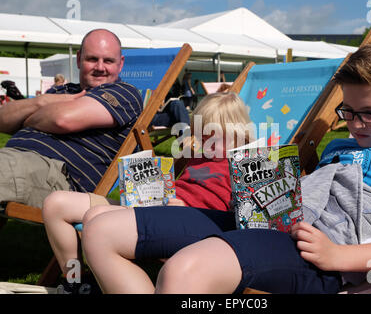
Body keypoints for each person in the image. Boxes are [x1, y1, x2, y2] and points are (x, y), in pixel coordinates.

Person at [81, 43, 371, 294]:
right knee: (101, 231)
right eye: (347, 111)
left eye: (368, 114)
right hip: (265, 223)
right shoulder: (339, 146)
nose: (355, 124)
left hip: (315, 256)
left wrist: (338, 257)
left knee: (182, 270)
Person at [42, 92, 254, 293]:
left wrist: (189, 210)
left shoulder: (244, 165)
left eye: (215, 135)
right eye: (202, 133)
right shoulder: (198, 155)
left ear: (240, 133)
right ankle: (75, 281)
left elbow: (239, 218)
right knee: (56, 204)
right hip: (156, 207)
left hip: (186, 222)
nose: (206, 141)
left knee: (94, 218)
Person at [0, 29, 143, 208]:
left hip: (58, 177)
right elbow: (3, 119)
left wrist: (26, 118)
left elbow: (63, 119)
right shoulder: (60, 91)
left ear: (120, 64)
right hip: (14, 161)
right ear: (78, 59)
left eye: (108, 60)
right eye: (92, 59)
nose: (100, 67)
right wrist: (41, 101)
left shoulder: (125, 93)